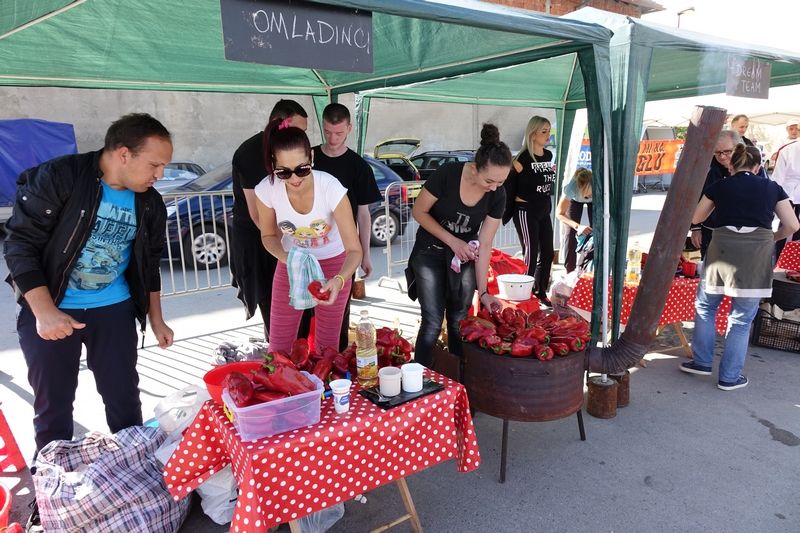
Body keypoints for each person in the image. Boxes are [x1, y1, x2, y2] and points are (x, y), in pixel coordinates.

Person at [3, 114, 175, 530]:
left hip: (113, 310)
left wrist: (156, 318)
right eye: (154, 165)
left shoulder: (147, 200)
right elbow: (20, 244)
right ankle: (51, 501)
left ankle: (136, 484)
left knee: (123, 400)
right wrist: (44, 311)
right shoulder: (61, 177)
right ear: (122, 154)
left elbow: (149, 262)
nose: (160, 174)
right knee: (53, 409)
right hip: (52, 308)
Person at [682, 145, 799, 390]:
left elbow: (696, 218)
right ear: (757, 167)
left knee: (706, 308)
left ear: (731, 166)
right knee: (742, 319)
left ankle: (702, 363)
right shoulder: (772, 188)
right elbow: (792, 225)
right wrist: (771, 237)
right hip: (756, 256)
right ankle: (729, 377)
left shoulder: (720, 186)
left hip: (722, 251)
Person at [253, 118, 362, 353]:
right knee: (279, 346)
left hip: (334, 264)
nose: (294, 179)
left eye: (302, 169)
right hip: (291, 263)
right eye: (283, 172)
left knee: (326, 348)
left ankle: (322, 390)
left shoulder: (330, 188)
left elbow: (354, 250)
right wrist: (288, 259)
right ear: (273, 165)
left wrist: (340, 280)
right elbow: (268, 236)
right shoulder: (266, 189)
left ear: (311, 158)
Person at [407, 123, 511, 368]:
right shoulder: (448, 174)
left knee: (459, 320)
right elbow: (419, 211)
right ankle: (417, 381)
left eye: (501, 181)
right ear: (474, 169)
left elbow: (485, 244)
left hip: (463, 256)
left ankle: (457, 380)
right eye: (490, 181)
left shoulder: (498, 193)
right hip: (429, 252)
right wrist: (453, 241)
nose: (494, 187)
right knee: (432, 320)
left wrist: (484, 292)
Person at [230, 99, 308, 340]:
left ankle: (301, 357)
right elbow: (256, 214)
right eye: (298, 130)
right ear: (280, 123)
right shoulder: (251, 151)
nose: (300, 137)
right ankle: (281, 357)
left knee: (301, 305)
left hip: (286, 236)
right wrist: (285, 248)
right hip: (260, 240)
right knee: (274, 304)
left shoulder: (288, 151)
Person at [307, 103, 381, 349]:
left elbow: (363, 215)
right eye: (328, 132)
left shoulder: (359, 166)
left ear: (349, 128)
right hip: (307, 245)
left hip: (341, 249)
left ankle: (332, 362)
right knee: (305, 312)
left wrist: (365, 255)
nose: (333, 138)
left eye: (339, 133)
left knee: (337, 315)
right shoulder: (309, 158)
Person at [502, 115, 556, 306]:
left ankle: (540, 291)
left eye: (549, 131)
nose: (548, 135)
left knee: (548, 252)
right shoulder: (522, 158)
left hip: (543, 210)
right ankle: (524, 295)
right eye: (544, 131)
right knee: (531, 253)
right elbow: (507, 181)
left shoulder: (548, 156)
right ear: (533, 134)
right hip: (525, 210)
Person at [690, 130, 740, 259]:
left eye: (727, 151)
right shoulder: (706, 168)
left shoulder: (752, 167)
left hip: (740, 234)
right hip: (710, 231)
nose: (722, 156)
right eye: (717, 152)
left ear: (738, 148)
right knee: (708, 272)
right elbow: (694, 197)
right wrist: (695, 228)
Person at [555, 167, 593, 274]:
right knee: (570, 233)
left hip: (594, 203)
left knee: (596, 232)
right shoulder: (572, 188)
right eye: (588, 194)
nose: (590, 196)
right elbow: (559, 213)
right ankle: (569, 272)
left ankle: (590, 268)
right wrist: (577, 226)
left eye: (591, 193)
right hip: (575, 201)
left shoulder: (599, 184)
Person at [771, 139, 800, 256]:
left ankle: (794, 262)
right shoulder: (788, 150)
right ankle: (780, 259)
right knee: (787, 227)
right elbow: (777, 180)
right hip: (788, 195)